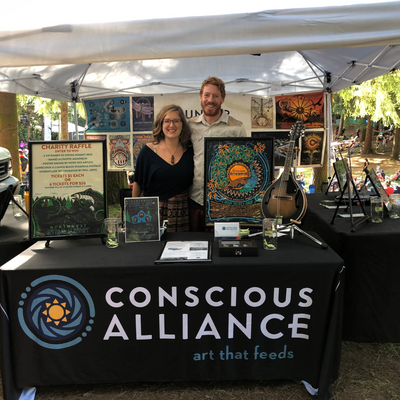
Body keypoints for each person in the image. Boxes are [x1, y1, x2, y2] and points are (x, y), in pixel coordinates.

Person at [188, 76, 247, 231]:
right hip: (195, 198)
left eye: (215, 96)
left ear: (222, 99)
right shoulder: (190, 126)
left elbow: (245, 164)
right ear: (200, 97)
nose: (210, 100)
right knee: (194, 242)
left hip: (225, 200)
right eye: (206, 95)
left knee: (223, 242)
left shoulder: (237, 128)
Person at [132, 104, 194, 232]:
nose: (172, 125)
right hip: (151, 211)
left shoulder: (190, 150)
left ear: (182, 124)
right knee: (151, 245)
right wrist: (134, 213)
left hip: (181, 212)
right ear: (160, 124)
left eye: (176, 121)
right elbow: (137, 183)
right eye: (167, 121)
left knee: (179, 244)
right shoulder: (147, 151)